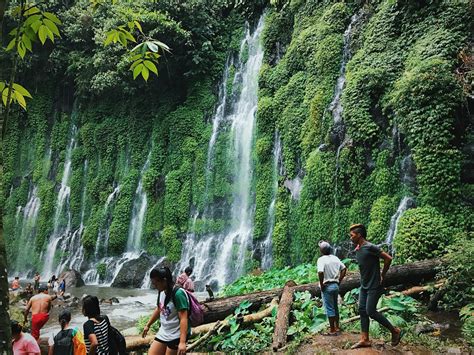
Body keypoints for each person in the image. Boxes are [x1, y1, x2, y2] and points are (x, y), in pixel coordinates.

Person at [349, 224, 402, 349]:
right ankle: (365, 339)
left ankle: (395, 331)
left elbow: (388, 258)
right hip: (364, 285)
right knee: (362, 310)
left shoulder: (370, 247)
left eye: (352, 235)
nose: (350, 238)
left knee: (371, 311)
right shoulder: (359, 248)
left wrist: (382, 275)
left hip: (374, 285)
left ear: (359, 235)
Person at [142, 267, 189, 355]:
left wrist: (182, 342)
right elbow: (159, 308)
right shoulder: (162, 291)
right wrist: (148, 325)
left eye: (156, 284)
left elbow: (183, 318)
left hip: (176, 335)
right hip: (164, 332)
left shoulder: (178, 293)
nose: (155, 286)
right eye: (153, 284)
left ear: (164, 280)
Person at [317, 241, 346, 336]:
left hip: (327, 286)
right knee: (335, 307)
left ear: (321, 251)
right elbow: (344, 268)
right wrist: (339, 280)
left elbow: (320, 272)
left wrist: (321, 284)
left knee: (329, 308)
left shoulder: (321, 260)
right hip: (335, 285)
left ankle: (332, 330)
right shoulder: (335, 258)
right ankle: (337, 326)